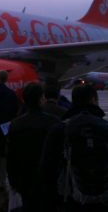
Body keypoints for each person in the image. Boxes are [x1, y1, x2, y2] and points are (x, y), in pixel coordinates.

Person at [40, 84, 108, 212]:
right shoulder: (104, 127)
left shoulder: (61, 128)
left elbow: (47, 169)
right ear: (93, 100)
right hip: (103, 199)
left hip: (70, 199)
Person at [7, 82, 60, 212]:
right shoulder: (54, 122)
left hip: (24, 179)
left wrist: (14, 181)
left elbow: (11, 155)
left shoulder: (15, 124)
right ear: (42, 99)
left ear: (24, 100)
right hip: (48, 180)